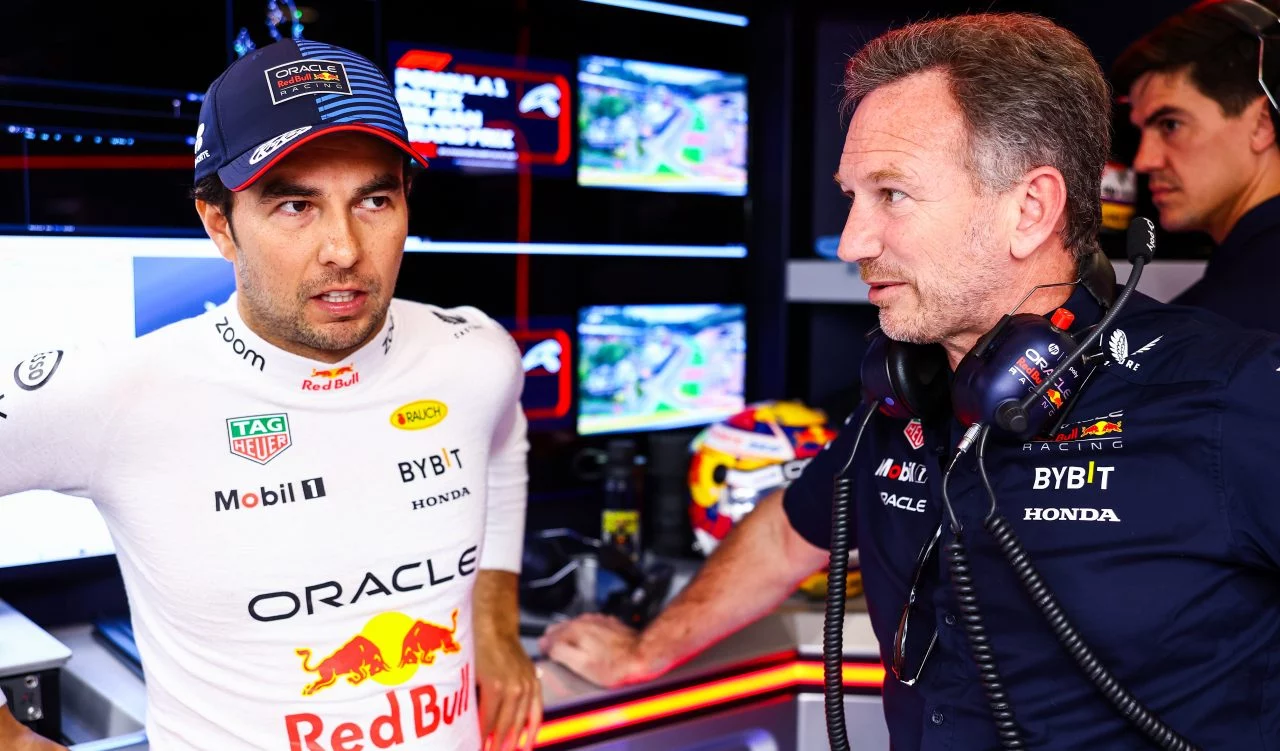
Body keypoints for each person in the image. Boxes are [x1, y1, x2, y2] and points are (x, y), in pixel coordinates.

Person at [540, 12, 1280, 750]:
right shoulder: (904, 395)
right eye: (852, 196)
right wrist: (649, 649)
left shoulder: (1230, 393)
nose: (855, 241)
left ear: (1029, 209)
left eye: (891, 194)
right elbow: (788, 533)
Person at [0, 39, 541, 751]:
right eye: (296, 205)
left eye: (374, 199)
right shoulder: (123, 391)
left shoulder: (473, 354)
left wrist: (496, 626)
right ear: (219, 222)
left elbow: (503, 442)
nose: (344, 248)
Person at [1113, 0, 1280, 333]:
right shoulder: (1232, 287)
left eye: (1170, 125)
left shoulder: (1227, 323)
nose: (1144, 162)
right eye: (1141, 132)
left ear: (1261, 124)